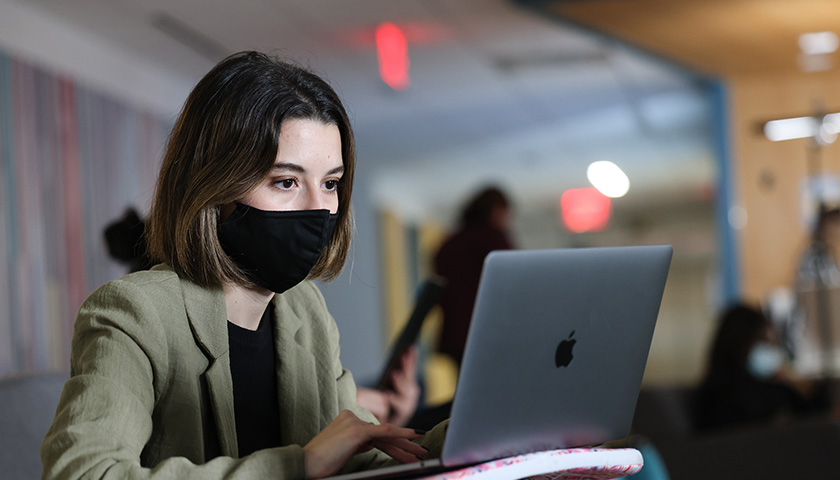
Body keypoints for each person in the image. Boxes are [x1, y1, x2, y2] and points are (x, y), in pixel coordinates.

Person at [41, 51, 442, 480]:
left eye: (330, 183)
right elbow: (82, 473)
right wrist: (298, 466)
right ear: (216, 187)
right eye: (285, 182)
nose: (319, 209)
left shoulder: (305, 310)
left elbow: (367, 456)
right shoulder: (134, 314)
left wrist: (485, 428)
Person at [694, 302, 831, 432]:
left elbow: (811, 410)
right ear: (739, 343)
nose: (769, 351)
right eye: (763, 343)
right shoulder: (722, 394)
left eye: (771, 345)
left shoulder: (766, 387)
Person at [433, 186, 514, 366]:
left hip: (456, 335)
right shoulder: (493, 238)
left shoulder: (449, 243)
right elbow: (514, 278)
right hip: (488, 332)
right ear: (495, 210)